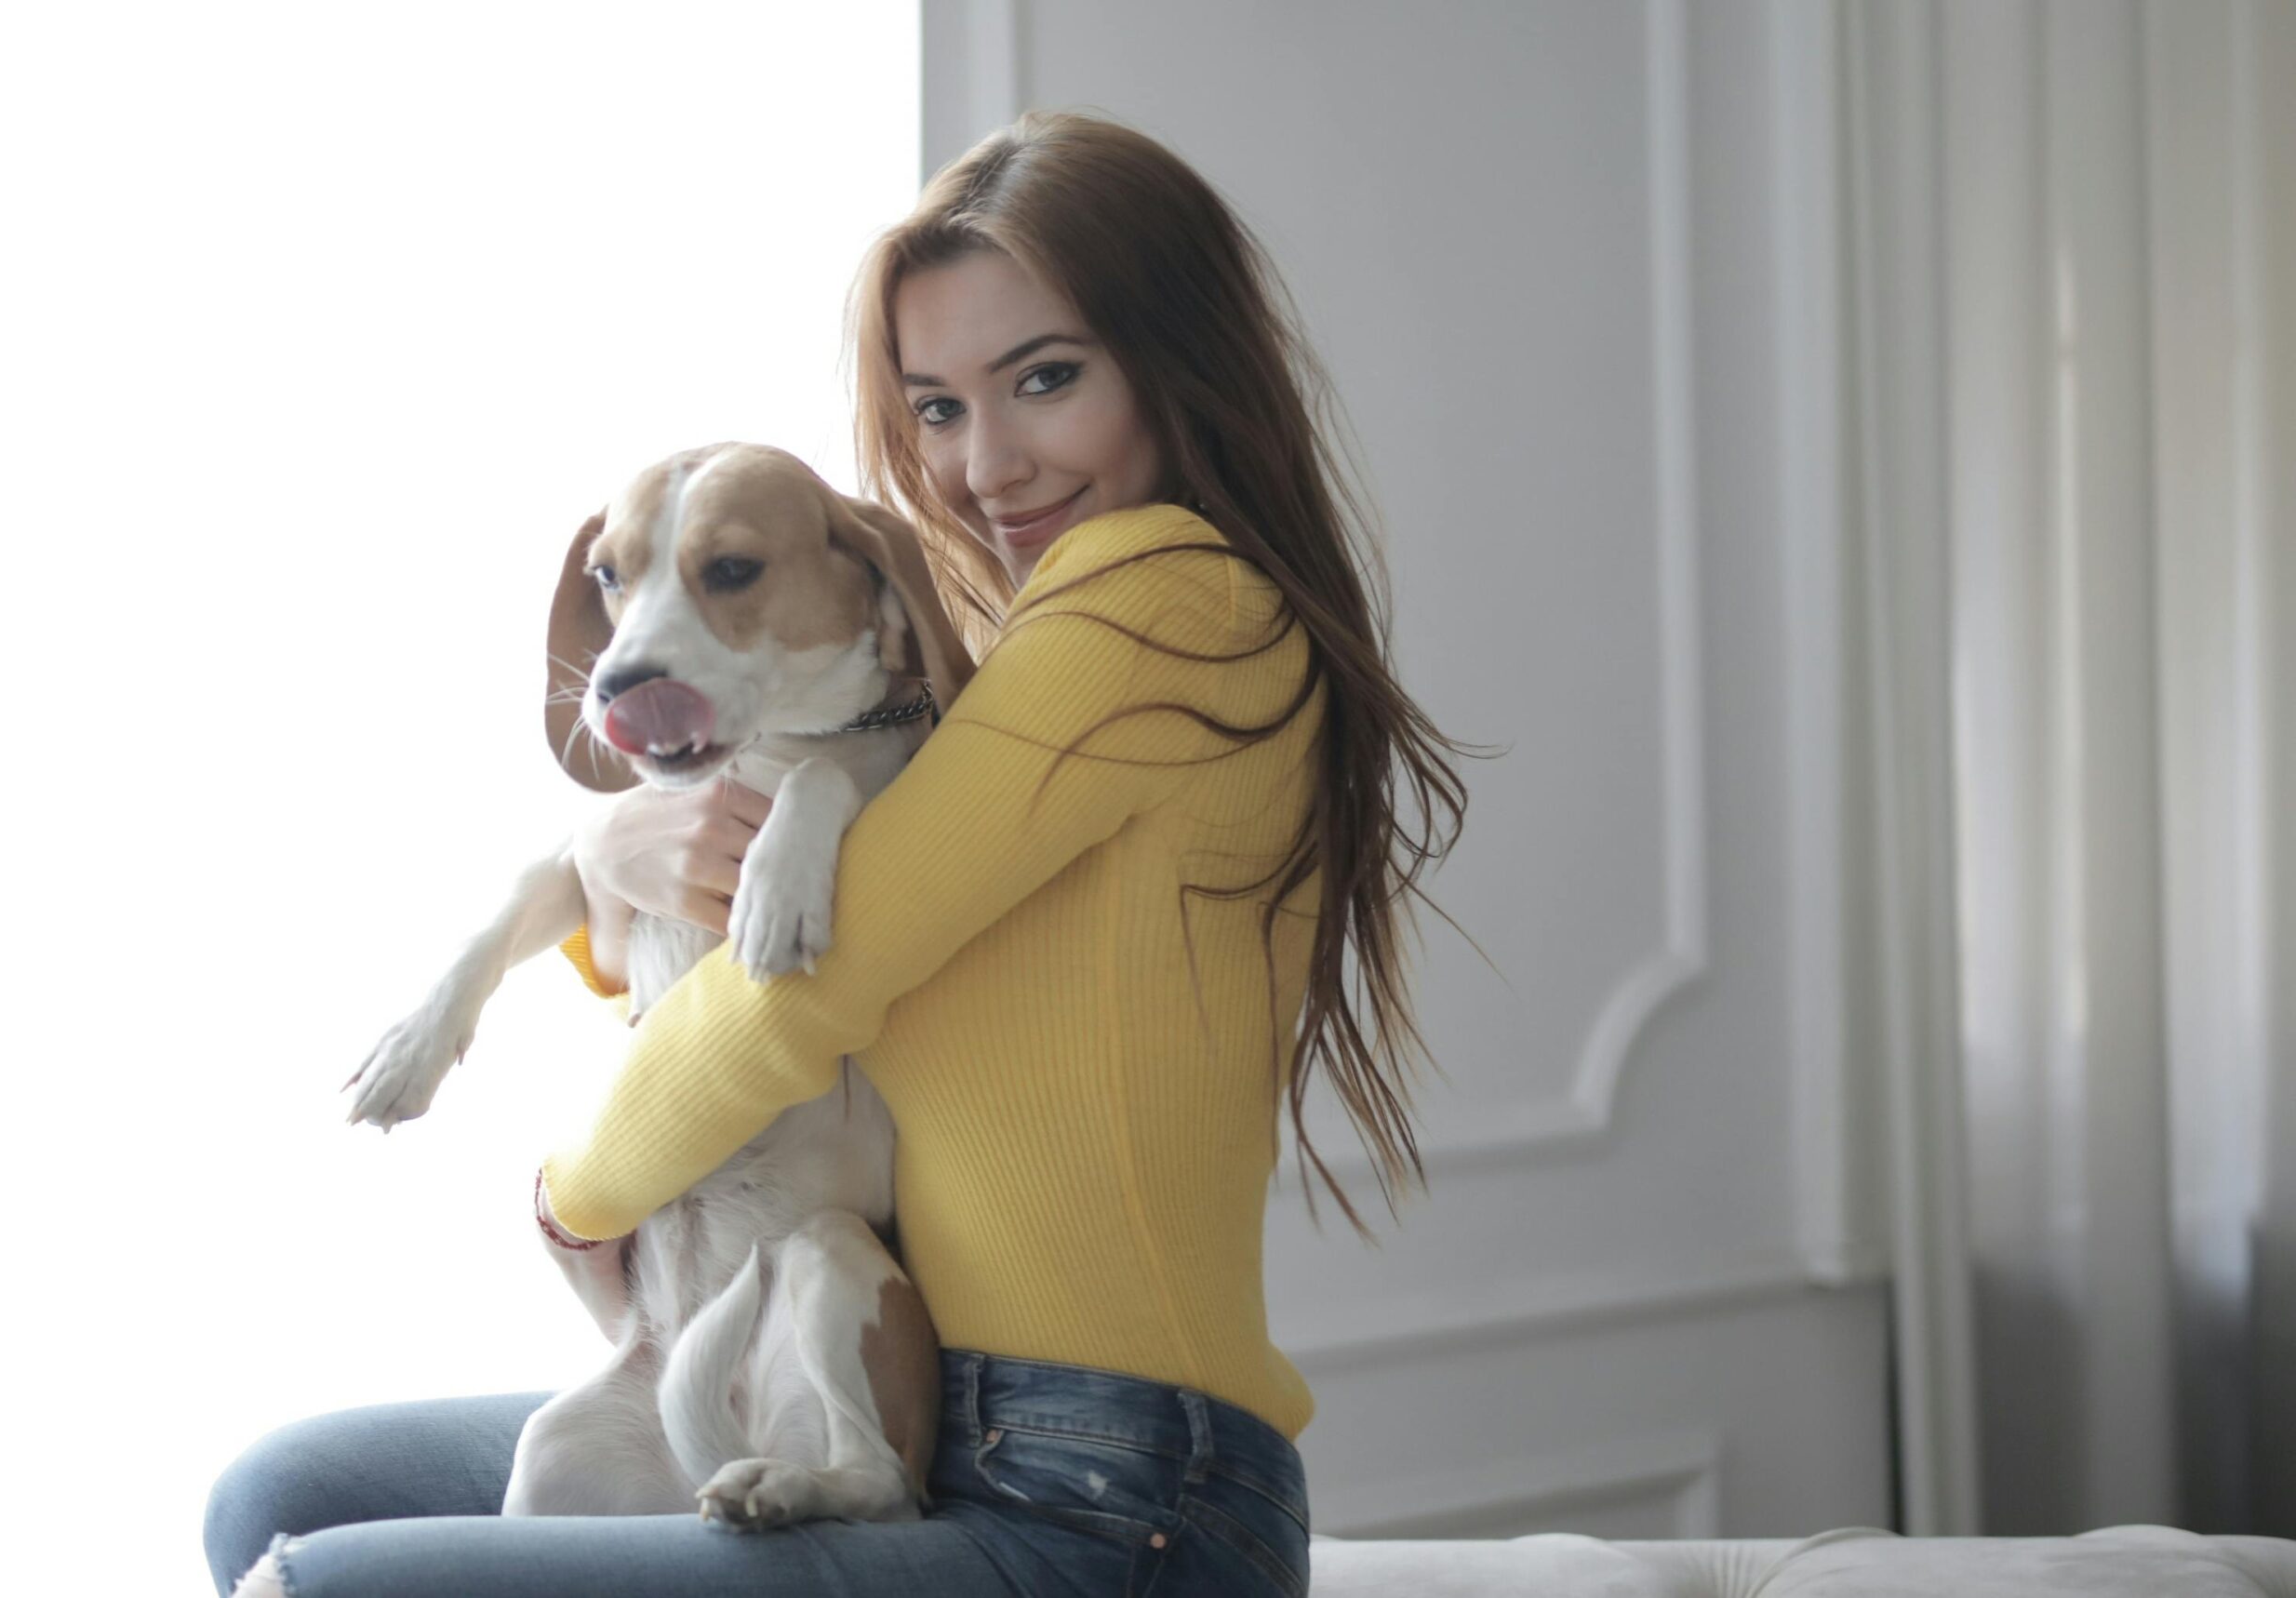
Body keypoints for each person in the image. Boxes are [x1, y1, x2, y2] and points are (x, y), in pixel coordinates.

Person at [205, 108, 1475, 1598]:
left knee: (329, 1579)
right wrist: (614, 848)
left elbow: (813, 978)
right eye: (936, 406)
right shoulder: (1009, 631)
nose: (985, 464)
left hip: (1108, 1487)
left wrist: (574, 1199)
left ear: (1175, 359)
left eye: (1046, 379)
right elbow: (750, 913)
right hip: (926, 1392)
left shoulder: (1159, 601)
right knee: (282, 1490)